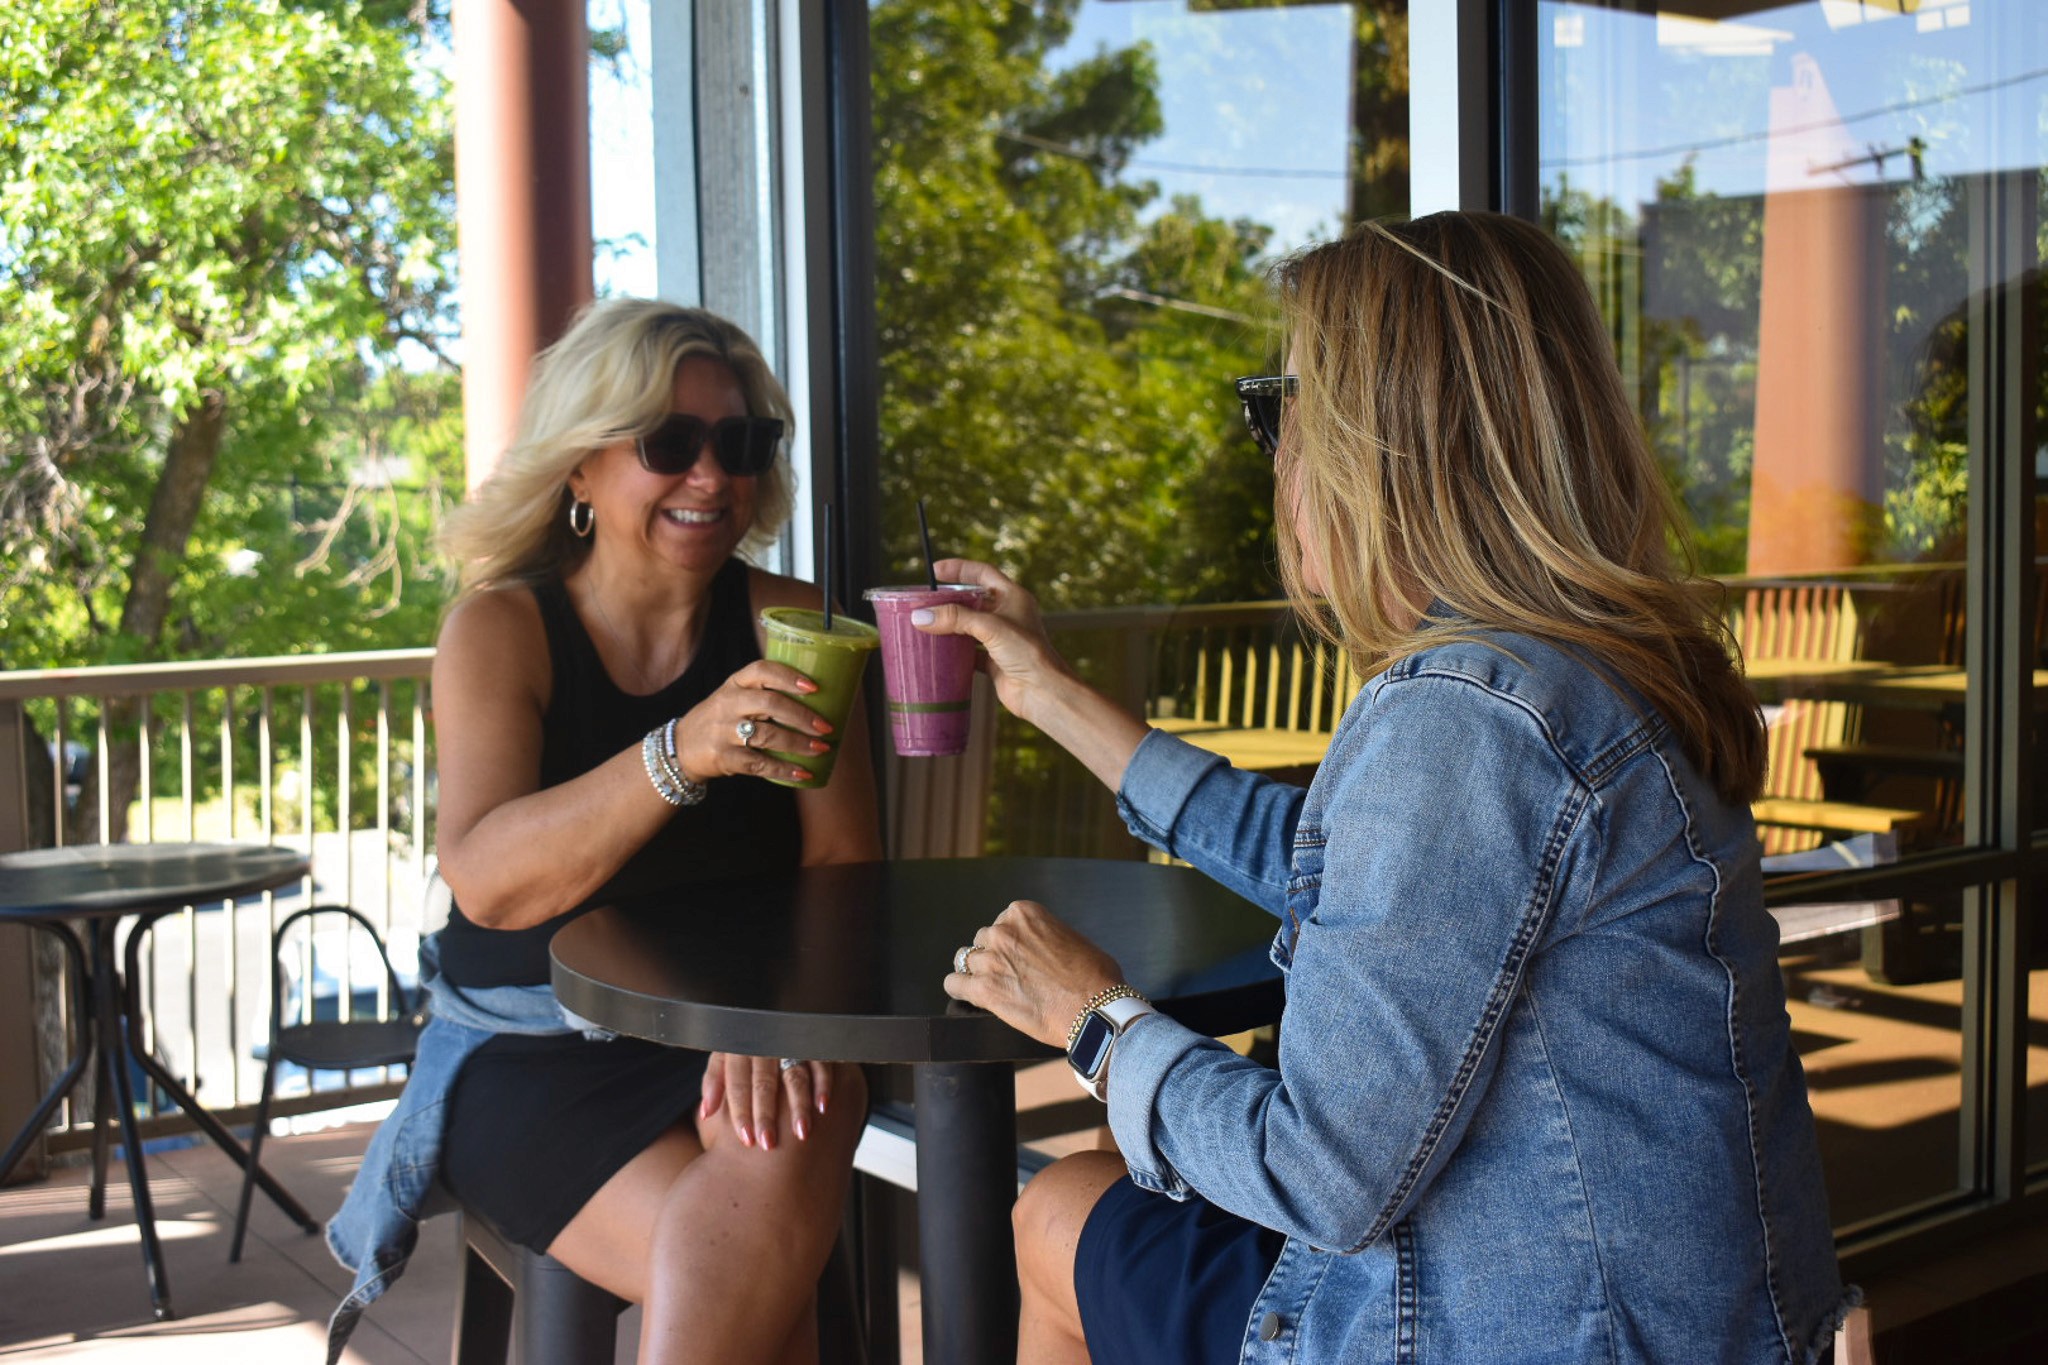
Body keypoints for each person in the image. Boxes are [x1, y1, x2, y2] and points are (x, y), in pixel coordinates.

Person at [916, 213, 1854, 1364]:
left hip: (1535, 1334)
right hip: (1686, 1323)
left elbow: (1317, 1177)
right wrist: (1051, 692)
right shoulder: (1584, 667)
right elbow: (1353, 873)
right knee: (1091, 1196)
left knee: (1057, 1210)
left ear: (1382, 443)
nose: (1275, 454)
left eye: (1279, 409)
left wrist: (1093, 1021)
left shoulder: (1465, 721)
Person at [324, 299, 876, 1365]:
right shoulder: (501, 629)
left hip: (750, 1027)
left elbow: (844, 867)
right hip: (535, 1047)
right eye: (668, 443)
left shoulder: (791, 623)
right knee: (755, 1290)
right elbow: (488, 883)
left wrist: (763, 1016)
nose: (711, 476)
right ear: (579, 467)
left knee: (771, 1165)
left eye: (739, 443)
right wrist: (680, 753)